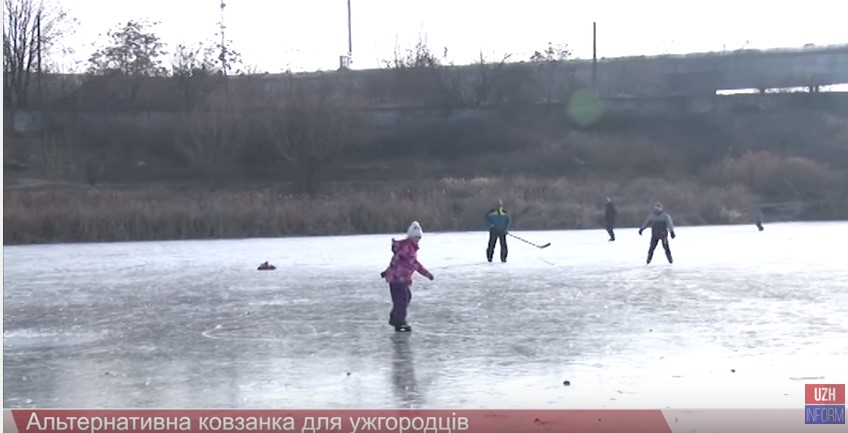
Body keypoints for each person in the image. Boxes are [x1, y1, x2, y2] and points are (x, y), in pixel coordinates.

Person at [383, 221, 434, 332]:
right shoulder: (407, 248)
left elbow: (395, 261)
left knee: (406, 297)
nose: (417, 240)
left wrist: (387, 271)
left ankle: (395, 318)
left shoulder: (408, 247)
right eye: (416, 237)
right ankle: (400, 322)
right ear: (411, 236)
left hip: (401, 279)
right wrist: (427, 274)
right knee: (401, 300)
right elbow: (415, 264)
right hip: (397, 279)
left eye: (419, 238)